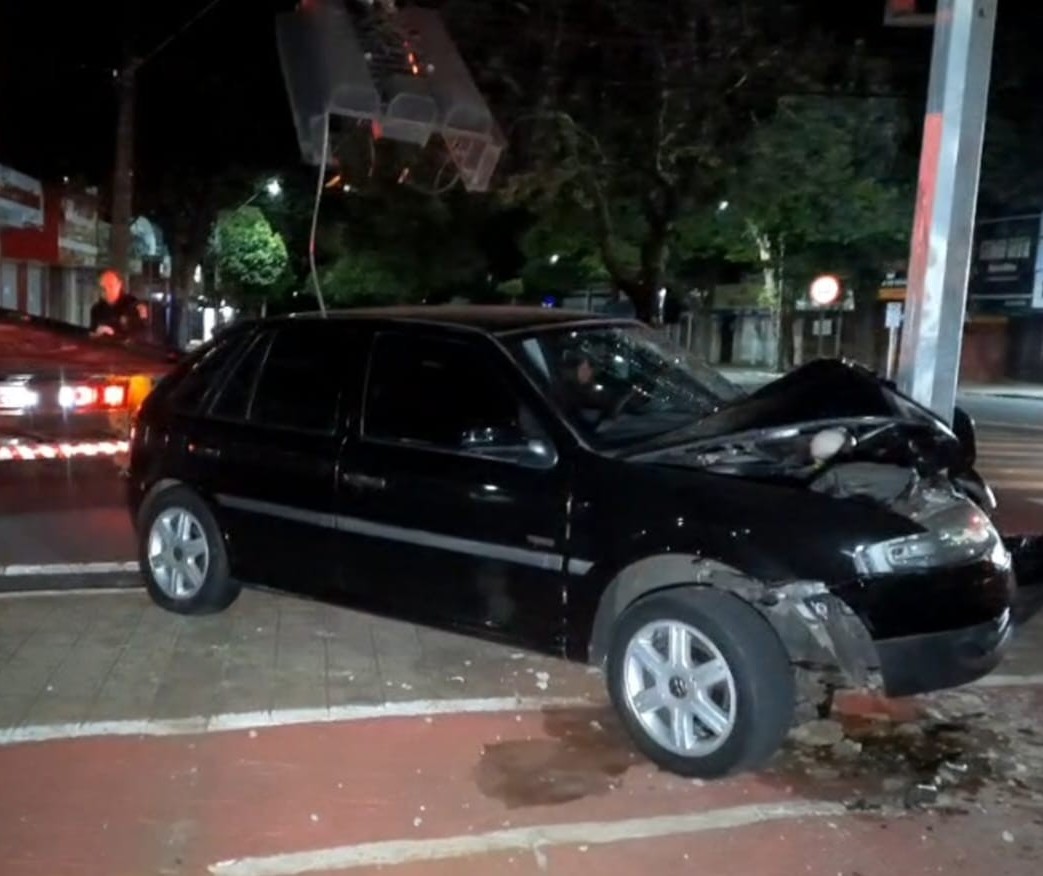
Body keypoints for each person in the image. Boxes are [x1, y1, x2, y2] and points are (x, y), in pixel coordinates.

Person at [89, 269, 148, 340]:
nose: (107, 291)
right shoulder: (96, 309)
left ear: (119, 285)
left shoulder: (132, 304)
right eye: (103, 288)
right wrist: (98, 334)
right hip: (104, 348)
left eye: (110, 286)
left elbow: (141, 334)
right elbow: (91, 334)